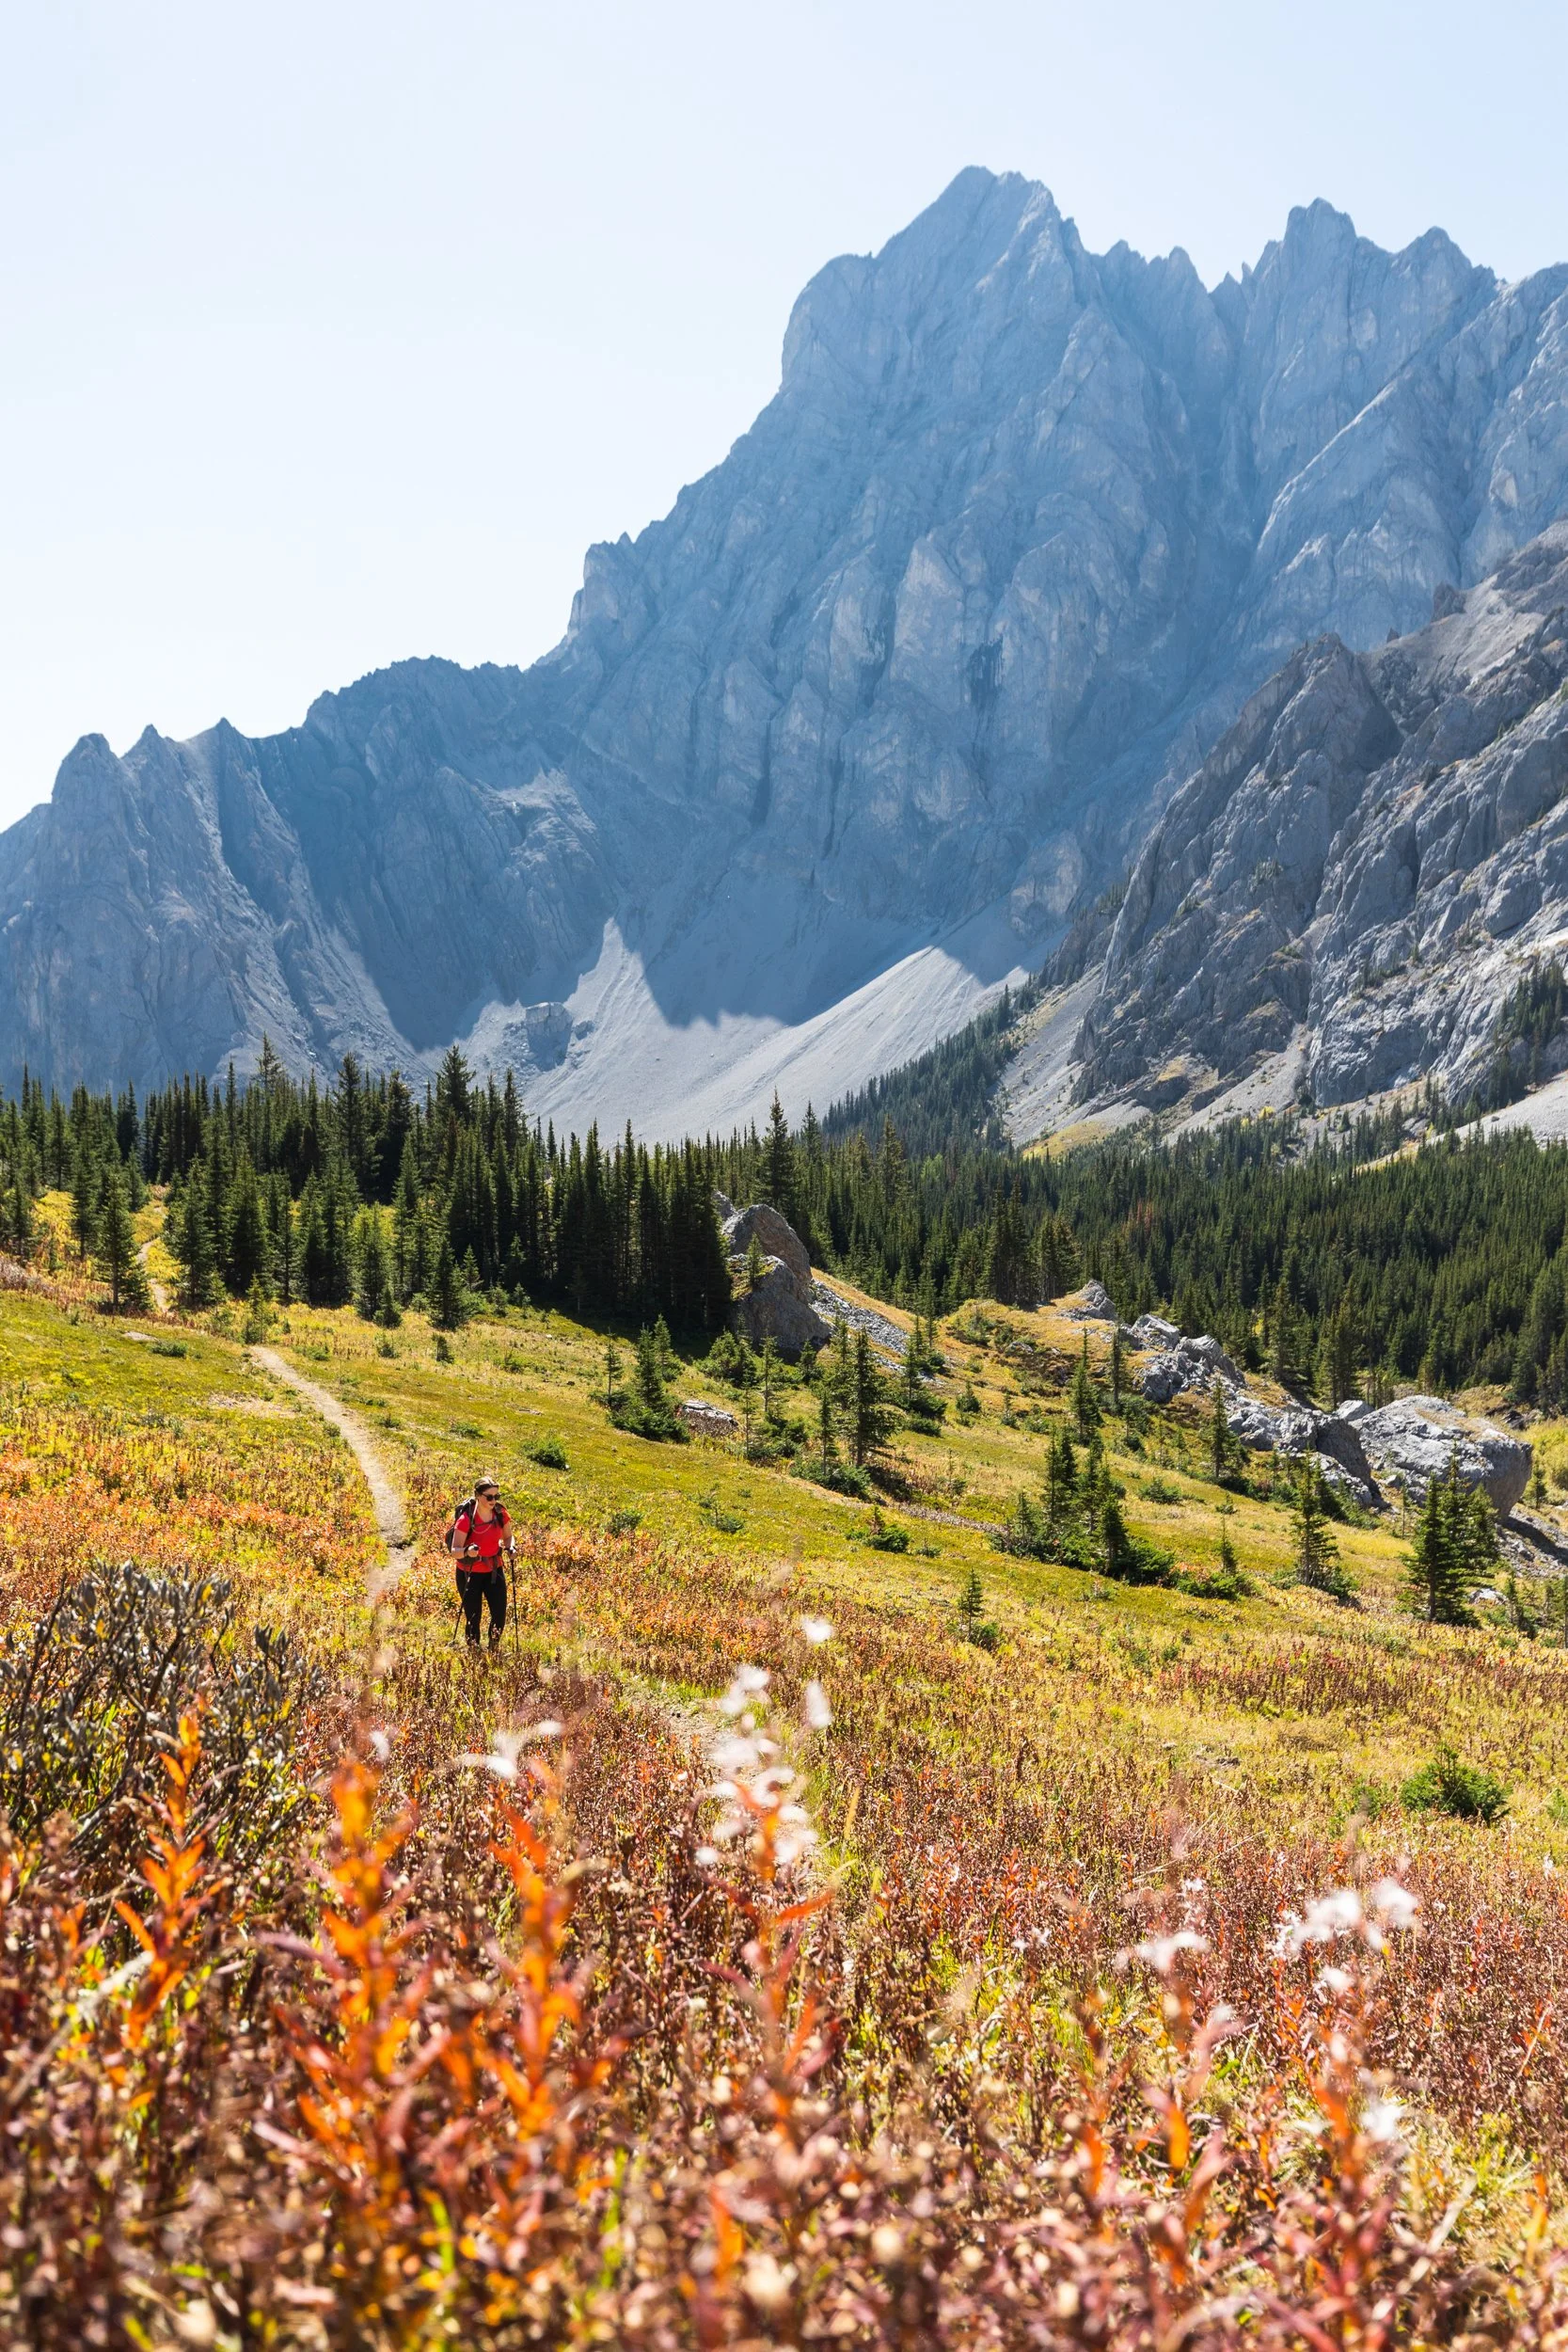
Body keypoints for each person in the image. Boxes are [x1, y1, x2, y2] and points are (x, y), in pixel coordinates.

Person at [452, 1471, 514, 1648]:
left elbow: (509, 1537)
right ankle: (473, 1651)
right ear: (478, 1496)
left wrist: (511, 1547)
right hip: (469, 1573)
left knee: (499, 1613)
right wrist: (467, 1551)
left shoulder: (501, 1513)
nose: (493, 1500)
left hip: (494, 1570)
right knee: (473, 1616)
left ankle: (493, 1649)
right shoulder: (465, 1520)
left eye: (496, 1496)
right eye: (489, 1496)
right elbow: (454, 1551)